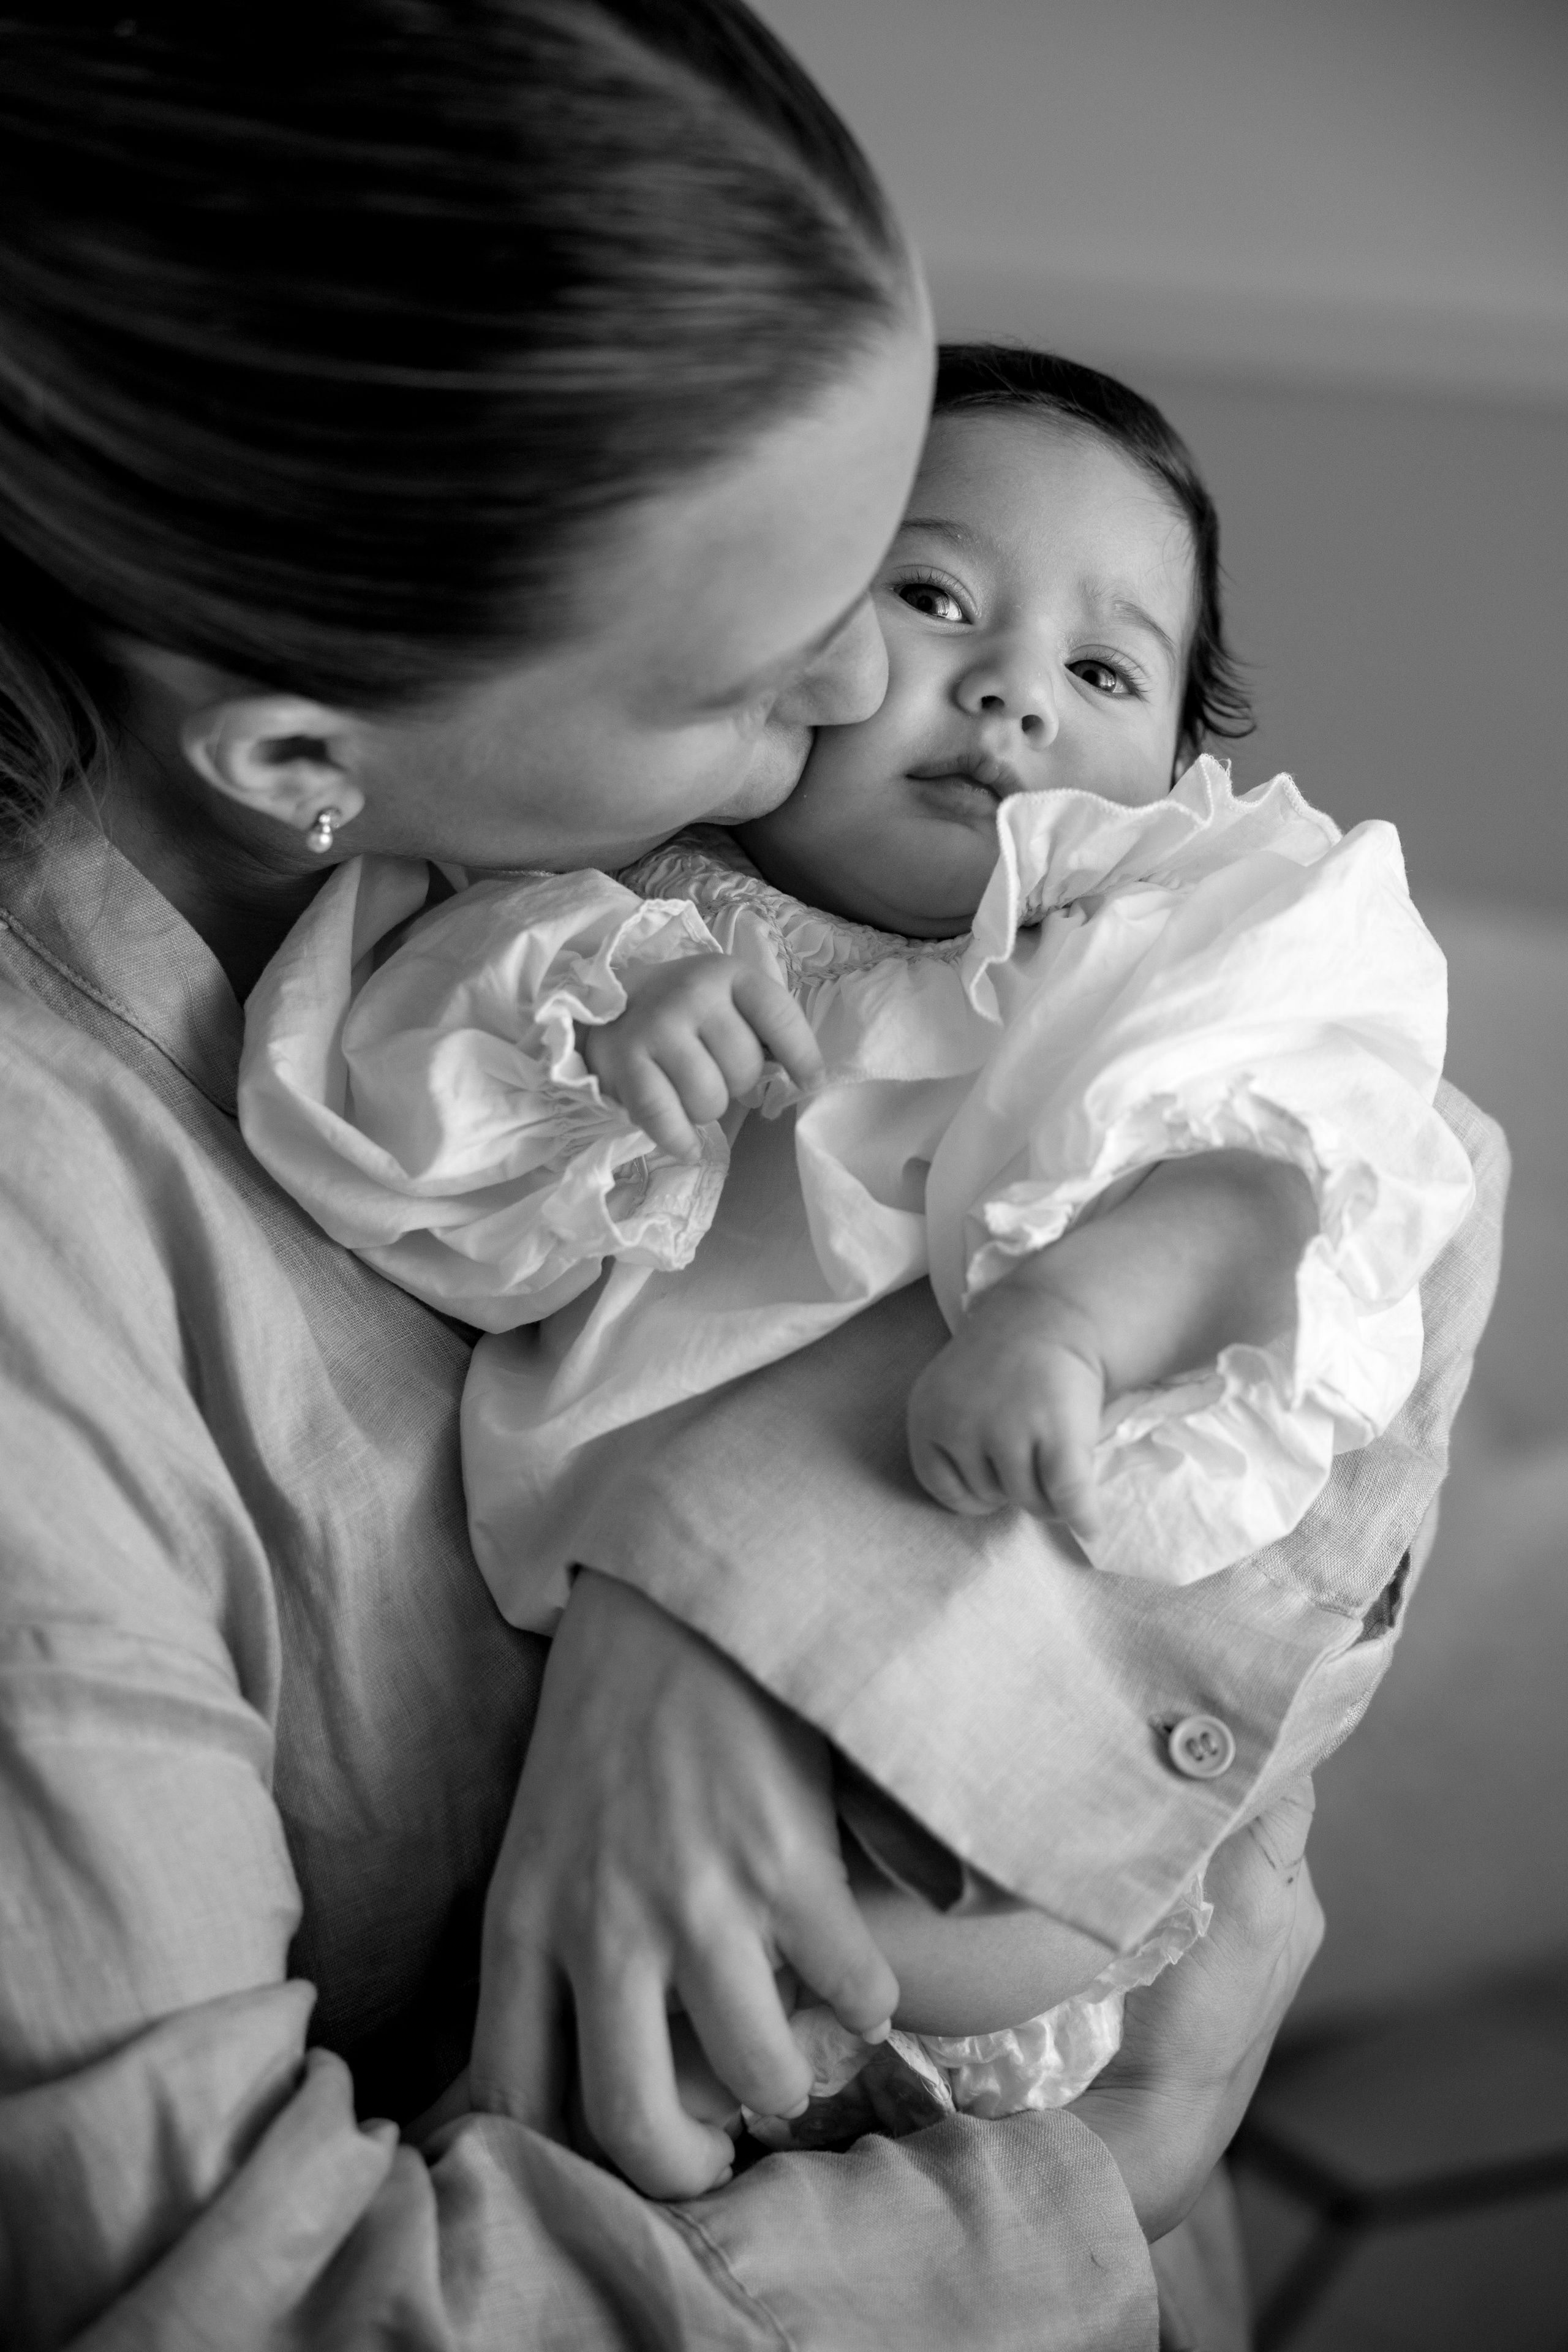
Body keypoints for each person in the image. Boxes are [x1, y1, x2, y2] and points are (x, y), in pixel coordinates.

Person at [0, 9, 1503, 2350]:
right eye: (782, 654)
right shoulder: (341, 1062)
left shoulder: (1075, 929)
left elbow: (1404, 1191)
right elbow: (223, 2295)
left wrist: (716, 1586)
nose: (897, 706)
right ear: (303, 755)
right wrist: (1096, 2183)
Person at [234, 344, 1475, 2134]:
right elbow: (401, 1154)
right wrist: (602, 1034)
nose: (1012, 696)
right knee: (606, 2130)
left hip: (975, 1676)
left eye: (1105, 668)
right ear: (785, 633)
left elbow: (1274, 1178)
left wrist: (1065, 1322)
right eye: (934, 595)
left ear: (1182, 771)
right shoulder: (618, 909)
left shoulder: (1151, 945)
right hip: (593, 1721)